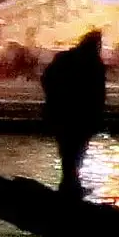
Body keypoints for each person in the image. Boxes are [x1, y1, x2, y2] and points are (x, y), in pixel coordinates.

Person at [42, 30, 107, 198]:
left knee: (67, 151)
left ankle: (70, 185)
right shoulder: (94, 64)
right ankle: (70, 186)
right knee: (77, 152)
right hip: (82, 117)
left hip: (60, 114)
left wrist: (55, 98)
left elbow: (46, 79)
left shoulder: (64, 58)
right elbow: (98, 94)